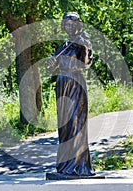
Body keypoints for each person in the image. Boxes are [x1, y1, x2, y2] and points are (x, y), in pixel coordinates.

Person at [47, 12, 94, 176]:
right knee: (65, 125)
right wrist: (51, 62)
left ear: (77, 25)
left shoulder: (83, 41)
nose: (68, 27)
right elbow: (51, 68)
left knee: (76, 122)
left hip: (75, 83)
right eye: (65, 25)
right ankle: (65, 165)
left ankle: (79, 166)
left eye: (71, 24)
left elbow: (87, 63)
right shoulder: (63, 45)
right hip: (62, 84)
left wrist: (84, 47)